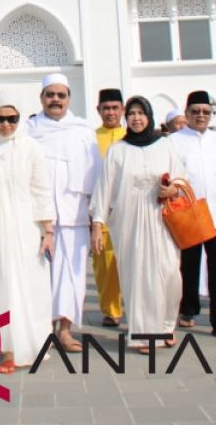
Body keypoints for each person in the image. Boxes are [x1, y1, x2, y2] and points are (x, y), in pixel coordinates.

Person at [91, 96, 187, 355]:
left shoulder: (165, 146)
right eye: (131, 113)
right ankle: (144, 334)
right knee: (138, 277)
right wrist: (98, 224)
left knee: (170, 274)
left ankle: (167, 325)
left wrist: (173, 189)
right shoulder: (117, 151)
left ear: (149, 116)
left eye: (140, 113)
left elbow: (180, 179)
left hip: (162, 219)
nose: (136, 118)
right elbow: (103, 190)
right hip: (128, 223)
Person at [0, 91, 54, 373]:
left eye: (12, 119)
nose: (6, 125)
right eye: (0, 119)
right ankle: (7, 349)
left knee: (31, 287)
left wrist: (48, 230)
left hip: (25, 229)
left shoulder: (31, 148)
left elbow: (41, 189)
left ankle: (33, 344)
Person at [26, 73, 100, 352]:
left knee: (72, 275)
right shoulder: (29, 129)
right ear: (42, 98)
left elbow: (95, 174)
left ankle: (65, 330)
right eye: (50, 95)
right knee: (40, 275)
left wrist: (96, 218)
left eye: (61, 95)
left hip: (74, 216)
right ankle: (43, 329)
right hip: (39, 217)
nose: (55, 100)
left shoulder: (83, 130)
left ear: (69, 98)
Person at [169, 91, 216, 335]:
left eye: (206, 112)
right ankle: (189, 308)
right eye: (195, 112)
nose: (201, 116)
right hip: (188, 212)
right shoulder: (175, 141)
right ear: (186, 114)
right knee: (189, 264)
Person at [93, 88, 126, 328]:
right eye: (106, 108)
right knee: (105, 264)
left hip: (129, 210)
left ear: (122, 110)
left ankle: (133, 306)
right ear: (98, 111)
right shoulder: (90, 138)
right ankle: (111, 310)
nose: (111, 112)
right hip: (101, 211)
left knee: (132, 261)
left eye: (115, 108)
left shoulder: (131, 135)